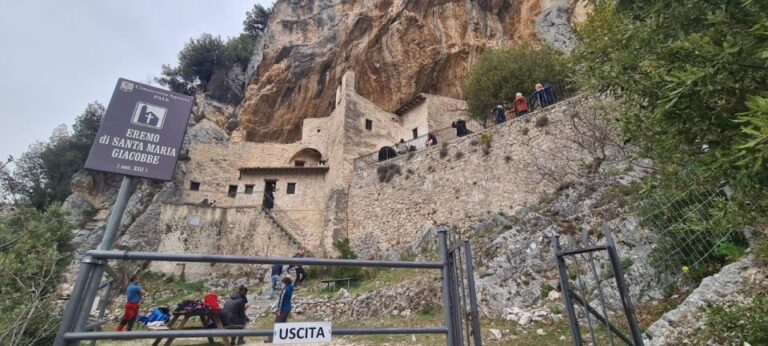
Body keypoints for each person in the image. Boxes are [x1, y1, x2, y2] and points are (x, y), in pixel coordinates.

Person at [266, 277, 294, 343]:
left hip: (283, 308)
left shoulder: (285, 289)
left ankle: (271, 338)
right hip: (288, 308)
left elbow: (281, 300)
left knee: (277, 323)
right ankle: (283, 338)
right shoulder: (291, 288)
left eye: (282, 283)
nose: (282, 284)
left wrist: (279, 311)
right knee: (284, 323)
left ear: (285, 283)